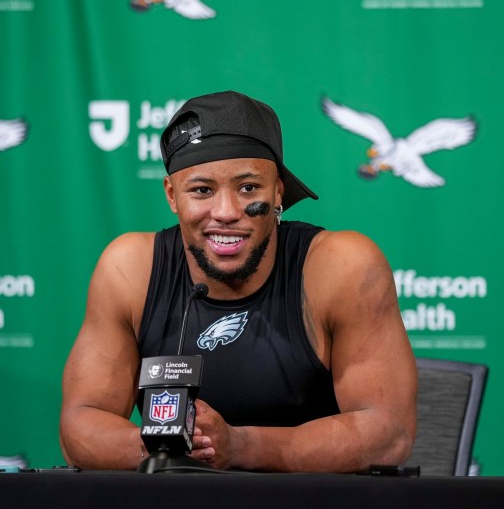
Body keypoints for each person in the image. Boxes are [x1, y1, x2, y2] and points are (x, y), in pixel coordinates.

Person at [60, 90, 417, 472]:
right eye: (202, 190)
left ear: (278, 190)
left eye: (248, 188)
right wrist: (165, 447)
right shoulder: (130, 268)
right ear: (171, 196)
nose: (226, 213)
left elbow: (388, 432)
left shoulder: (341, 265)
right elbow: (81, 423)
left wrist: (241, 446)